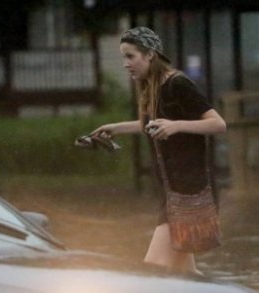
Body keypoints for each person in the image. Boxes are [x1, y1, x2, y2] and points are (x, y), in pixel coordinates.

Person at [91, 27, 226, 274]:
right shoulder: (151, 86)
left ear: (150, 55)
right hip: (171, 191)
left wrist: (176, 126)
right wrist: (116, 128)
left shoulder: (178, 84)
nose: (125, 64)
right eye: (123, 57)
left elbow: (218, 124)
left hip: (189, 192)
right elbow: (151, 125)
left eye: (130, 56)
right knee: (186, 276)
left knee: (153, 272)